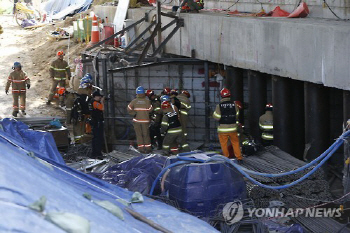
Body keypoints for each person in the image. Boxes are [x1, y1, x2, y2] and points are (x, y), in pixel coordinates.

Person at [213, 88, 243, 162]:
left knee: (224, 144)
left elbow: (217, 117)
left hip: (223, 129)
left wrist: (214, 114)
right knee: (235, 143)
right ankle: (239, 158)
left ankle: (226, 158)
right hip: (233, 128)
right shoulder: (234, 105)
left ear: (221, 96)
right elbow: (237, 115)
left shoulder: (219, 106)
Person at [127, 86, 153, 153]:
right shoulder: (147, 101)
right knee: (146, 135)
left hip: (137, 121)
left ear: (137, 93)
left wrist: (134, 113)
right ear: (144, 93)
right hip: (145, 121)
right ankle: (148, 149)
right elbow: (150, 110)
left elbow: (129, 108)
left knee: (139, 135)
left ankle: (141, 149)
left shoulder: (134, 101)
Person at [71, 73, 93, 143]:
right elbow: (86, 103)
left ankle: (80, 142)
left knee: (82, 130)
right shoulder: (83, 93)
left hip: (82, 113)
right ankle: (79, 143)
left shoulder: (82, 92)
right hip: (80, 114)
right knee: (79, 130)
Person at [91, 91, 105, 159]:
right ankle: (97, 153)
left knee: (98, 138)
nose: (100, 97)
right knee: (97, 138)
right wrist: (102, 102)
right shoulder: (95, 103)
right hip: (97, 122)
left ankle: (97, 153)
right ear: (95, 97)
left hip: (98, 122)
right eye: (98, 96)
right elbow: (102, 108)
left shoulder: (96, 102)